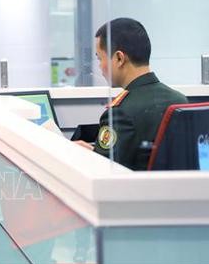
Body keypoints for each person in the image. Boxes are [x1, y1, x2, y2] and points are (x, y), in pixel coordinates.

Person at [75, 18, 188, 170]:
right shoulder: (179, 100)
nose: (100, 66)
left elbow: (102, 172)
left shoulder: (120, 113)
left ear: (119, 58)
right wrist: (95, 152)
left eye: (100, 58)